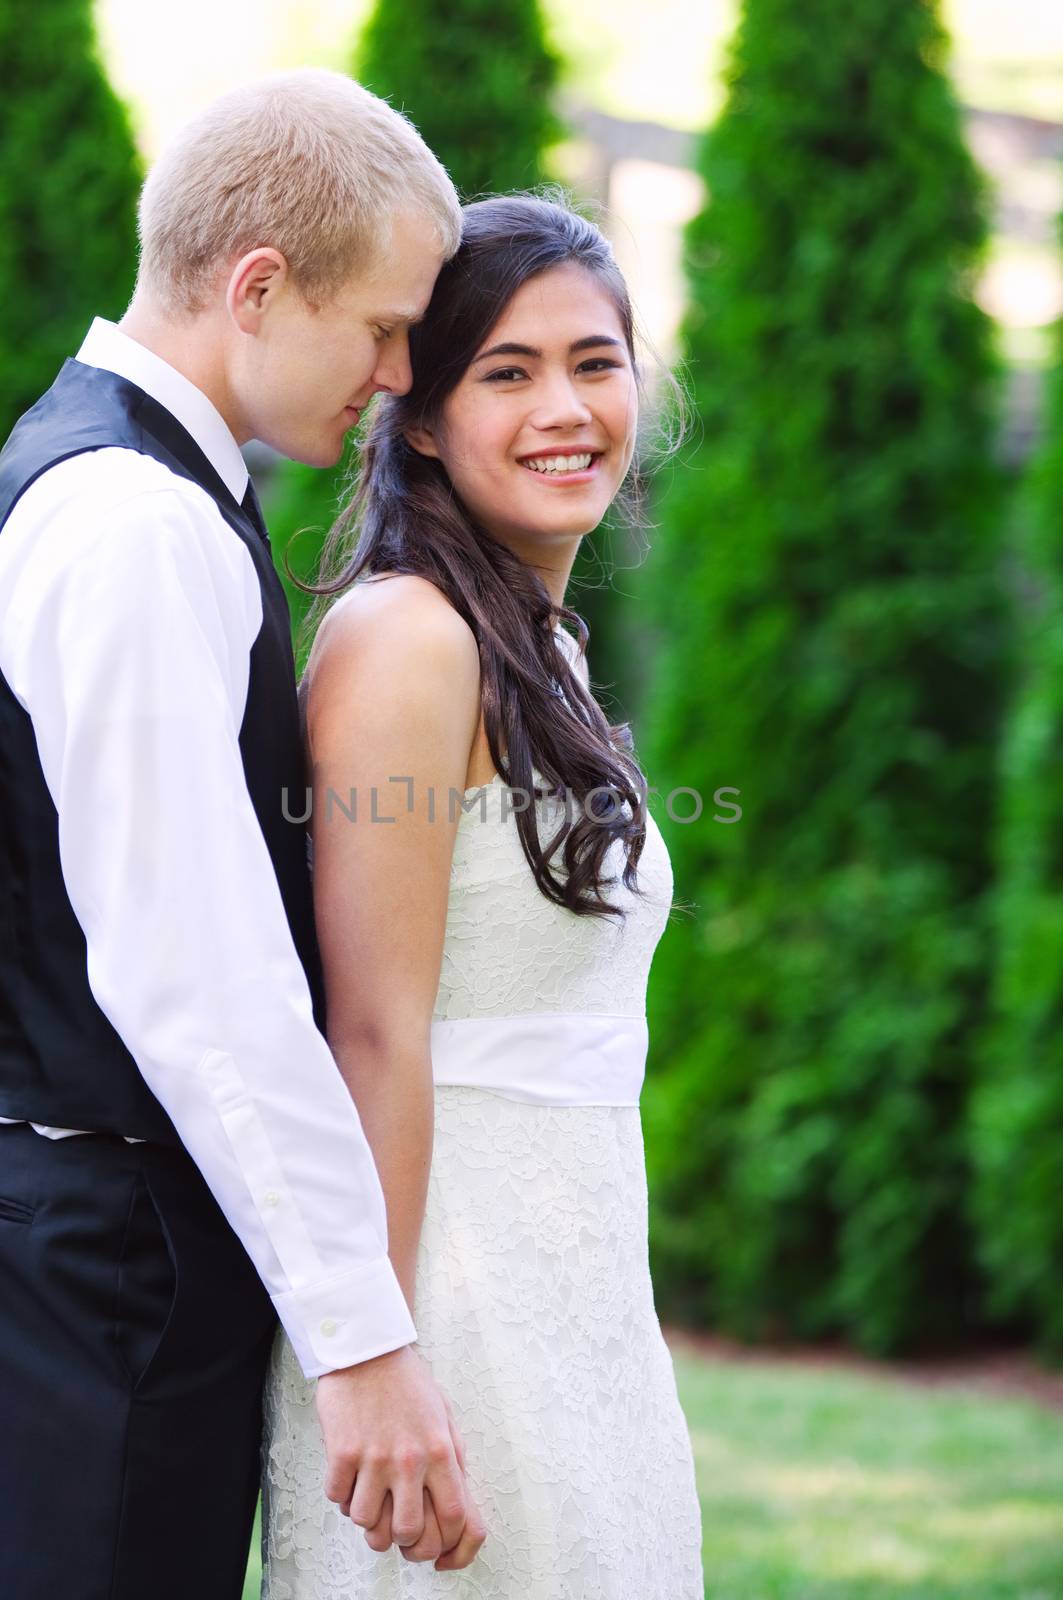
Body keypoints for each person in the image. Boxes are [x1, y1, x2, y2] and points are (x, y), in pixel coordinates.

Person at [0, 69, 488, 1600]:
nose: (399, 376)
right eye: (385, 328)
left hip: (90, 1254)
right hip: (94, 1271)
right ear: (258, 287)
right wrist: (364, 1339)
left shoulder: (158, 490)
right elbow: (201, 974)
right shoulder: (131, 521)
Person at [261, 194, 705, 1598]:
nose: (565, 407)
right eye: (506, 372)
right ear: (428, 419)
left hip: (575, 1291)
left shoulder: (538, 644)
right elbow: (373, 1031)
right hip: (450, 1300)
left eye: (595, 360)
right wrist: (375, 1357)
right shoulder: (409, 637)